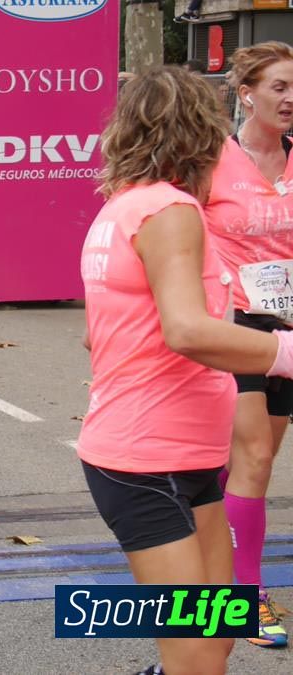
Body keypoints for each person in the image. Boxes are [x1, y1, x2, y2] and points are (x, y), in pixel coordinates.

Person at [79, 65, 293, 675]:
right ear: (201, 132)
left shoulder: (124, 205)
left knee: (216, 639)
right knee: (197, 657)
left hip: (189, 461)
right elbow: (187, 330)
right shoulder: (170, 210)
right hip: (147, 465)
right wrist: (284, 353)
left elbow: (96, 336)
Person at [200, 41, 293, 650]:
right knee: (254, 457)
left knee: (252, 461)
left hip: (290, 326)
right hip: (236, 326)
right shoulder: (213, 161)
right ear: (247, 94)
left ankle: (204, 527)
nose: (290, 99)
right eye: (279, 87)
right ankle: (244, 596)